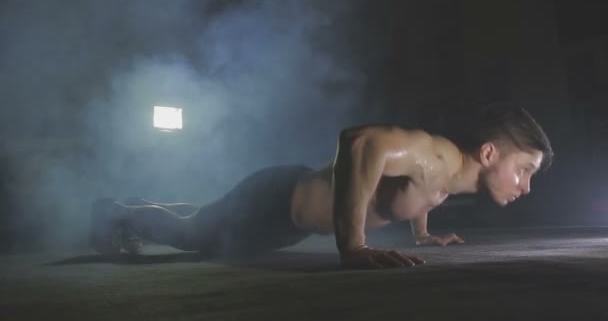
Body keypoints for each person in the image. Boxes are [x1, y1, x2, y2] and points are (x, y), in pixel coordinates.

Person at [90, 102, 553, 270]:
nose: (526, 186)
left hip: (286, 219)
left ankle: (135, 205)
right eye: (525, 169)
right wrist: (352, 246)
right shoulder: (434, 154)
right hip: (273, 201)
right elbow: (360, 141)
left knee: (203, 219)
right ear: (490, 153)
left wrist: (422, 234)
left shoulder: (449, 177)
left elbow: (423, 193)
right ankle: (114, 210)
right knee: (192, 235)